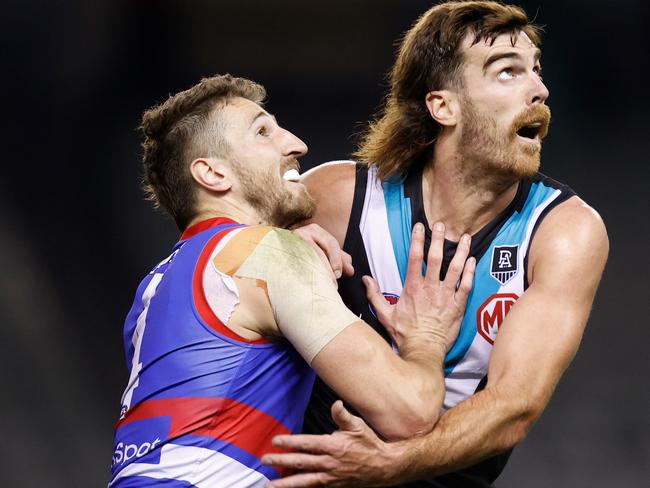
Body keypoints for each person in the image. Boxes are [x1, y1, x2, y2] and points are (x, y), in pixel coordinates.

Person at [262, 1, 609, 487]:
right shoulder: (340, 198)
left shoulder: (564, 232)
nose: (540, 89)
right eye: (508, 72)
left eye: (536, 70)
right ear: (442, 105)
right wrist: (273, 247)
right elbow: (221, 280)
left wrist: (390, 465)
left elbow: (515, 405)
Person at [109, 74, 477, 487]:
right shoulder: (271, 254)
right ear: (212, 173)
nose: (296, 144)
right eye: (263, 131)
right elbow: (408, 411)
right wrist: (426, 336)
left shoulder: (153, 291)